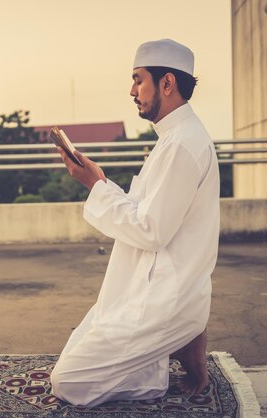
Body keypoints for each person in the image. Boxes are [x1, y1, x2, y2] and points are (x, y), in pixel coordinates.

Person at [50, 39, 220, 407]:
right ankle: (162, 356)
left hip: (165, 295)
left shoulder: (181, 146)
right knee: (82, 344)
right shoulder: (174, 139)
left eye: (137, 80)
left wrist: (94, 186)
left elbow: (151, 230)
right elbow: (145, 211)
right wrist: (102, 180)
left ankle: (169, 349)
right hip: (150, 284)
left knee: (69, 382)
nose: (131, 91)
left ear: (167, 83)